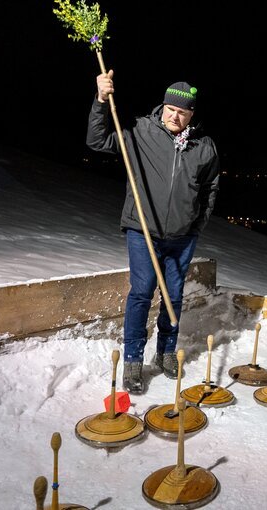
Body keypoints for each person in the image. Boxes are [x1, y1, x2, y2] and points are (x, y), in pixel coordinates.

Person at [86, 70, 219, 392]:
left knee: (173, 296)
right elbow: (97, 140)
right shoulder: (140, 131)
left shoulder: (204, 147)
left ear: (191, 115)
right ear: (163, 106)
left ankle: (166, 352)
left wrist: (195, 225)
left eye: (182, 112)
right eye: (171, 109)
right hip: (143, 231)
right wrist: (101, 100)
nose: (175, 116)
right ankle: (133, 359)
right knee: (142, 292)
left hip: (182, 237)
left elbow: (210, 188)